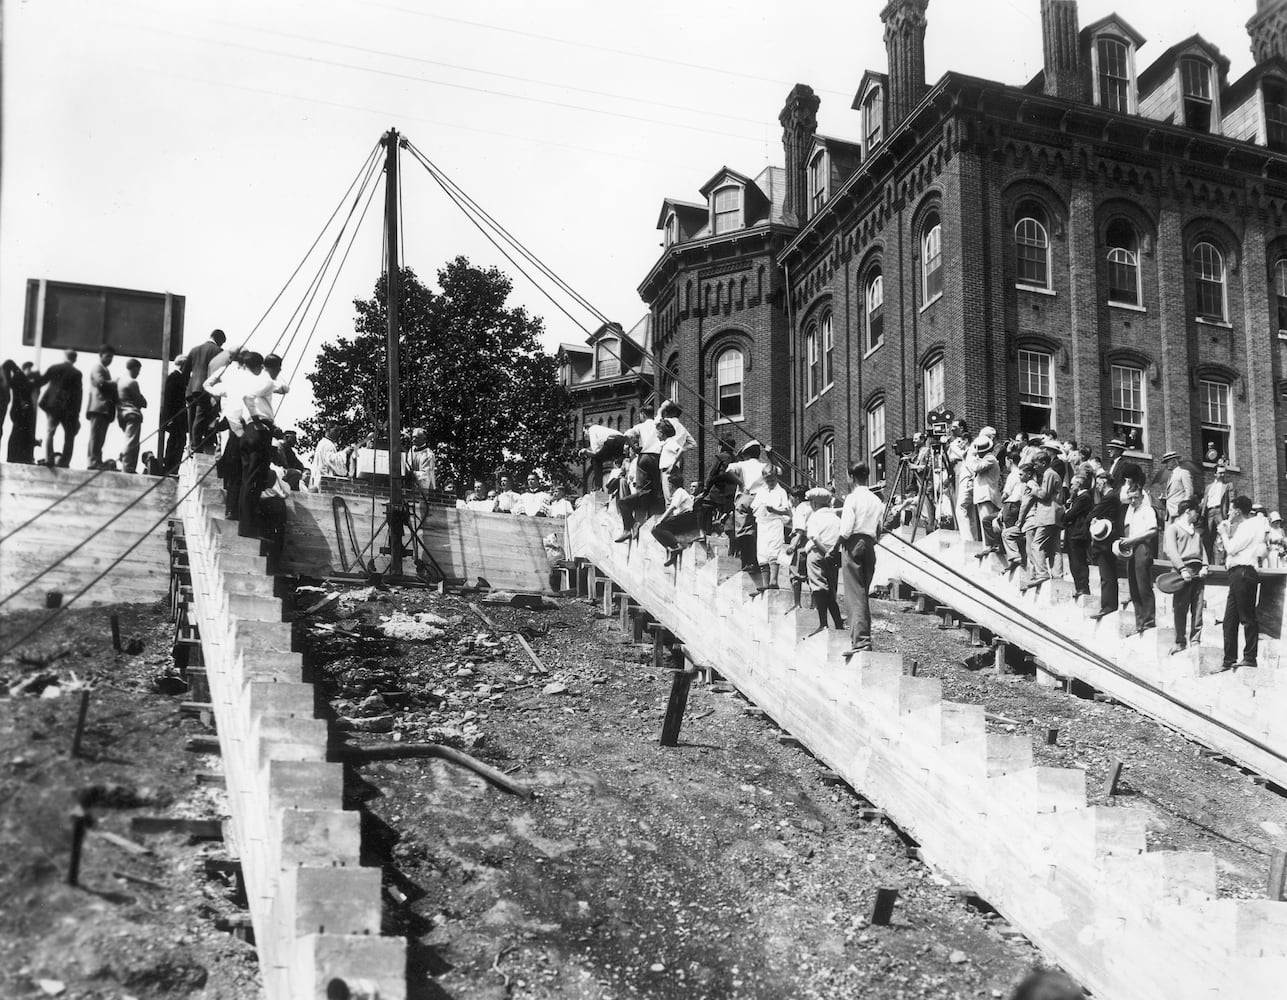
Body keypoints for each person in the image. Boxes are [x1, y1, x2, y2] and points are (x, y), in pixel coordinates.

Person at [838, 461, 884, 655]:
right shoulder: (876, 500)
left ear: (850, 476)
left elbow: (846, 528)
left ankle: (861, 641)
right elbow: (879, 529)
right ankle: (864, 638)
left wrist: (833, 548)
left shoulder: (852, 498)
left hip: (853, 543)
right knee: (862, 593)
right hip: (870, 546)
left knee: (854, 594)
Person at [1219, 495, 1266, 670]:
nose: (1229, 512)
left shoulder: (1249, 526)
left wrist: (1224, 534)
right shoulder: (1244, 526)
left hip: (1244, 572)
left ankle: (1250, 657)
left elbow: (1231, 548)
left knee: (1247, 617)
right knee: (1229, 620)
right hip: (1237, 573)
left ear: (1238, 511)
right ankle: (1229, 658)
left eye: (1231, 509)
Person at [1164, 498, 1208, 654]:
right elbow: (1171, 550)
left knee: (1198, 609)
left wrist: (1205, 566)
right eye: (1196, 511)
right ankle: (1180, 641)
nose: (1198, 515)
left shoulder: (1195, 532)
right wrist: (1182, 569)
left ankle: (1195, 640)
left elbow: (1202, 551)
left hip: (1198, 573)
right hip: (1181, 572)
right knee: (1180, 608)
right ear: (1188, 511)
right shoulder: (1173, 528)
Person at [1119, 480, 1158, 634]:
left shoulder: (1147, 510)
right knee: (1134, 588)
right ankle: (1140, 623)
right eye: (1131, 498)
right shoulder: (1131, 511)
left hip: (1142, 547)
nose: (1133, 501)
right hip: (1131, 548)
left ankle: (1149, 621)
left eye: (1136, 497)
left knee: (1143, 586)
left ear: (1142, 496)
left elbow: (1153, 531)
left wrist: (1133, 540)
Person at [803, 487, 843, 634]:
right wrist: (832, 553)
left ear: (814, 503)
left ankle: (823, 623)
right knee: (831, 590)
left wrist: (826, 553)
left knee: (819, 588)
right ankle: (838, 624)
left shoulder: (815, 517)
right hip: (834, 556)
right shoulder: (835, 518)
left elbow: (814, 537)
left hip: (818, 553)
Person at [1019, 451, 1061, 592]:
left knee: (1037, 545)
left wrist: (1034, 489)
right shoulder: (1051, 474)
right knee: (1055, 548)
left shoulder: (1049, 474)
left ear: (1043, 463)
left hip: (1048, 515)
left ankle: (1042, 573)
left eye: (1036, 464)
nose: (1035, 467)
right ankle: (1057, 575)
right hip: (1054, 515)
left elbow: (1044, 494)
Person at [182, 329, 227, 453]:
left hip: (191, 389)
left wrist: (187, 387)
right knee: (201, 417)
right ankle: (196, 446)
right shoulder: (219, 352)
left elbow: (185, 372)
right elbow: (219, 374)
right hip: (206, 389)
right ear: (219, 340)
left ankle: (191, 443)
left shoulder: (194, 349)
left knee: (192, 418)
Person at [38, 349, 82, 469]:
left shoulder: (55, 368)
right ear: (74, 359)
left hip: (52, 406)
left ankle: (49, 459)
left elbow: (41, 381)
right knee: (69, 435)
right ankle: (65, 462)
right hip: (68, 409)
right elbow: (78, 396)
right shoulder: (76, 373)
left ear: (64, 356)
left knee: (50, 432)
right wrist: (76, 416)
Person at [1087, 470, 1122, 620]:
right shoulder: (1110, 496)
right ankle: (1108, 604)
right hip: (1105, 540)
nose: (1097, 486)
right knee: (1106, 574)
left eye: (1099, 482)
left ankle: (1108, 605)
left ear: (1105, 481)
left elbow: (1094, 512)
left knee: (1107, 574)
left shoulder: (1110, 496)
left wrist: (1093, 518)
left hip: (1106, 541)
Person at [750, 468, 792, 592]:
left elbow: (787, 511)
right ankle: (765, 583)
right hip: (763, 523)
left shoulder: (781, 492)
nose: (771, 482)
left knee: (774, 549)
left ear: (776, 478)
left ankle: (774, 580)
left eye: (773, 479)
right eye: (768, 480)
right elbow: (754, 507)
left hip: (775, 522)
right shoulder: (761, 491)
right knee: (762, 551)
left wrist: (774, 510)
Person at [651, 470, 699, 564]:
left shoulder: (680, 492)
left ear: (671, 485)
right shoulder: (679, 493)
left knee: (658, 528)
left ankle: (676, 546)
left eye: (668, 485)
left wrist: (660, 520)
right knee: (655, 530)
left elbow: (671, 508)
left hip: (687, 517)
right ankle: (672, 550)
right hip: (683, 518)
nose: (668, 487)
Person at [85, 344, 117, 469]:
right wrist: (115, 383)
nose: (110, 359)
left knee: (99, 437)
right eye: (108, 356)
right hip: (98, 407)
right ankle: (93, 460)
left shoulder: (104, 369)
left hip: (103, 409)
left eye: (112, 357)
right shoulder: (97, 367)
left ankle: (96, 460)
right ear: (101, 355)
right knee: (96, 436)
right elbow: (101, 383)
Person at [115, 358, 147, 473]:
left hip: (121, 414)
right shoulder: (132, 382)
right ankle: (128, 466)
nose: (138, 373)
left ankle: (128, 465)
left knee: (129, 440)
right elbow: (141, 401)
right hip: (132, 414)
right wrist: (142, 400)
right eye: (138, 370)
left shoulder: (119, 381)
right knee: (132, 441)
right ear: (134, 369)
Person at [1063, 473, 1093, 597]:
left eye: (1072, 484)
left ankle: (1083, 588)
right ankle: (1079, 587)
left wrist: (1066, 514)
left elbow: (1070, 515)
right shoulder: (1077, 498)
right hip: (1073, 533)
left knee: (1079, 561)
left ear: (1079, 485)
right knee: (1074, 562)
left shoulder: (1084, 497)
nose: (1070, 487)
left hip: (1078, 534)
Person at [971, 435, 1002, 555]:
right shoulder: (986, 459)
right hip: (983, 495)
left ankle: (990, 546)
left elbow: (975, 467)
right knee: (985, 521)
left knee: (987, 520)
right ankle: (988, 546)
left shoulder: (990, 459)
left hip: (987, 495)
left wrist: (972, 456)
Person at [3, 359, 37, 463]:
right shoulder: (20, 378)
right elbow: (20, 394)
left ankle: (16, 456)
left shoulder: (20, 379)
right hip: (21, 410)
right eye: (30, 369)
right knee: (18, 433)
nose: (31, 371)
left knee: (19, 433)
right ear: (26, 369)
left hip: (19, 410)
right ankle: (16, 456)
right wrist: (24, 403)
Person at [159, 353, 189, 474]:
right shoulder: (175, 377)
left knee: (177, 441)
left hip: (176, 417)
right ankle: (171, 467)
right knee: (176, 441)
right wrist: (170, 418)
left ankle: (172, 467)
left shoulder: (176, 377)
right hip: (175, 417)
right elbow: (170, 400)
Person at [1201, 460, 1231, 563]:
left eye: (1224, 473)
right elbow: (1205, 502)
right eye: (1220, 473)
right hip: (1209, 513)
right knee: (1208, 538)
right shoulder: (1208, 487)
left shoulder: (1227, 486)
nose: (1222, 475)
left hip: (1220, 512)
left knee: (1223, 536)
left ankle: (1223, 561)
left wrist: (1229, 515)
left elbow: (1231, 501)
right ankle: (1208, 562)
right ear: (1215, 474)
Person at [309, 424, 349, 489]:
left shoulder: (326, 443)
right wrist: (344, 452)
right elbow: (331, 460)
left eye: (339, 431)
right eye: (336, 430)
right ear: (328, 430)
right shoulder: (326, 444)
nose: (338, 433)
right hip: (323, 478)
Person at [1160, 450, 1193, 520]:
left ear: (1174, 461)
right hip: (1169, 512)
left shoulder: (1183, 473)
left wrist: (1184, 507)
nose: (1166, 465)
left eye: (1167, 462)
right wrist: (1164, 499)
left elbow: (1189, 491)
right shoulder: (1170, 476)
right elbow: (1173, 494)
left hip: (1179, 511)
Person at [405, 428, 437, 492]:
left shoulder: (428, 454)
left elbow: (426, 474)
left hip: (424, 490)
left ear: (424, 440)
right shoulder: (411, 450)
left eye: (417, 438)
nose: (414, 439)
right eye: (413, 437)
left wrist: (413, 473)